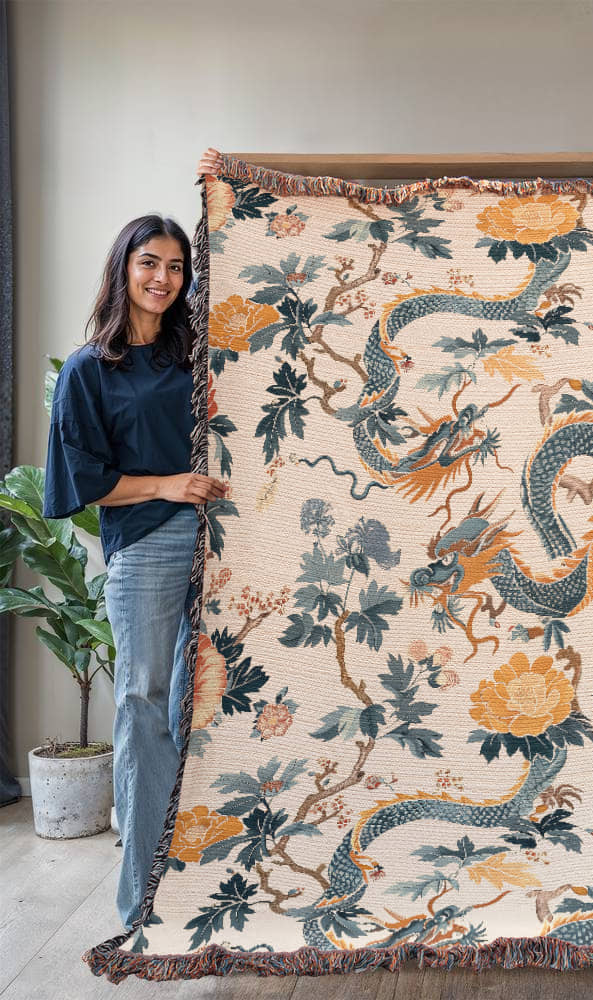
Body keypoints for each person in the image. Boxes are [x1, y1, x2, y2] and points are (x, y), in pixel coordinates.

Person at [42, 212, 226, 930]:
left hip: (224, 542)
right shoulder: (90, 368)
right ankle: (145, 900)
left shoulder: (195, 352)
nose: (163, 278)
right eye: (149, 262)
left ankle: (207, 879)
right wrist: (168, 485)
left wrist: (222, 175)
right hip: (148, 546)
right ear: (123, 267)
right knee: (144, 703)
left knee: (201, 704)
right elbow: (82, 480)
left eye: (177, 267)